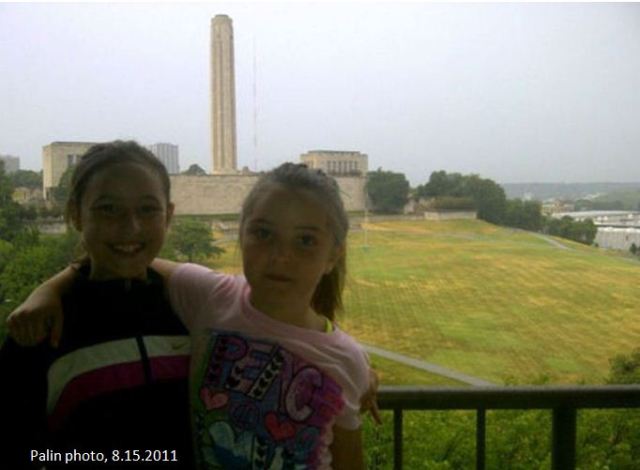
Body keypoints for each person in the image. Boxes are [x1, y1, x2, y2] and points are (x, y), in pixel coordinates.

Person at [7, 160, 379, 469]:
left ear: (333, 255)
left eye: (305, 240)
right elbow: (126, 256)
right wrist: (52, 287)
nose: (281, 256)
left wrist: (356, 368)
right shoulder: (207, 298)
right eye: (263, 234)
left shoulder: (345, 360)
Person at [0, 140, 193, 468]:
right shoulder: (40, 330)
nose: (130, 227)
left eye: (147, 209)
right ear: (76, 214)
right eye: (108, 209)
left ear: (169, 215)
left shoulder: (191, 308)